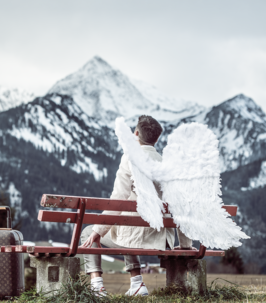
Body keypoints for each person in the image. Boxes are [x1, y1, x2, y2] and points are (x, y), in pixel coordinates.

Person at [80, 115, 194, 297]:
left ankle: (98, 287)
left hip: (134, 235)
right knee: (126, 228)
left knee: (89, 233)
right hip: (161, 239)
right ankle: (136, 285)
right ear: (156, 139)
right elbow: (181, 205)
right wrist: (186, 245)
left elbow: (118, 199)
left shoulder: (130, 159)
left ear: (136, 134)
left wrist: (98, 230)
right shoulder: (166, 163)